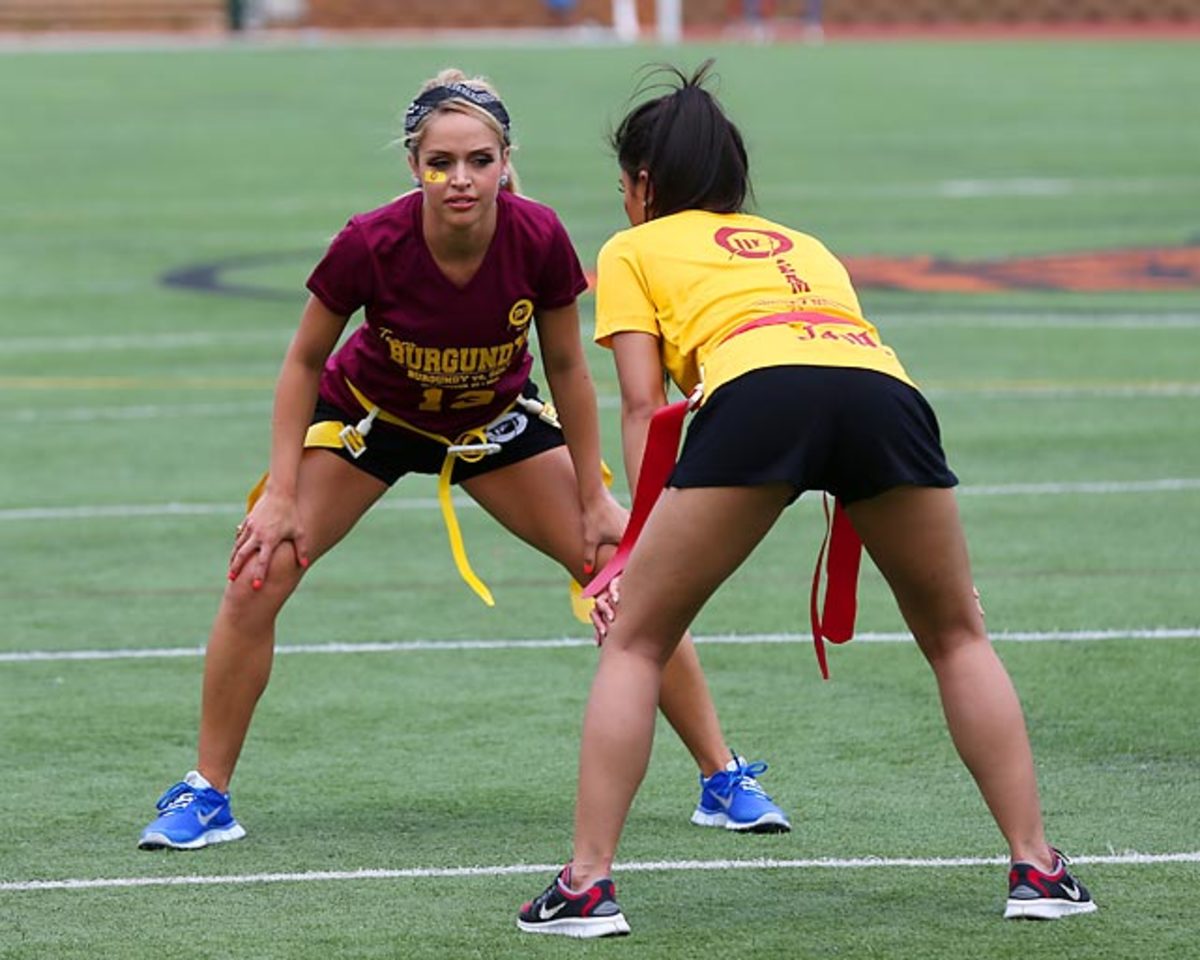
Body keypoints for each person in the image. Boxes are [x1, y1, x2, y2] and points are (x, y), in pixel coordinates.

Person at [137, 68, 790, 852]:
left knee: (621, 565)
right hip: (373, 419)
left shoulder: (539, 235)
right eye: (441, 161)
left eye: (479, 159)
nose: (460, 178)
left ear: (505, 161)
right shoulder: (370, 241)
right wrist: (280, 493)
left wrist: (594, 498)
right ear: (413, 166)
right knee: (258, 568)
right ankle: (206, 792)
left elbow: (572, 371)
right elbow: (303, 362)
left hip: (493, 421)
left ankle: (722, 778)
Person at [516, 60, 1096, 938]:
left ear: (641, 185)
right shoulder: (804, 244)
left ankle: (587, 886)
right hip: (885, 396)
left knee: (636, 644)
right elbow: (838, 376)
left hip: (758, 391)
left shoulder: (631, 247)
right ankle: (1039, 868)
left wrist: (631, 548)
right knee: (956, 633)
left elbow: (645, 406)